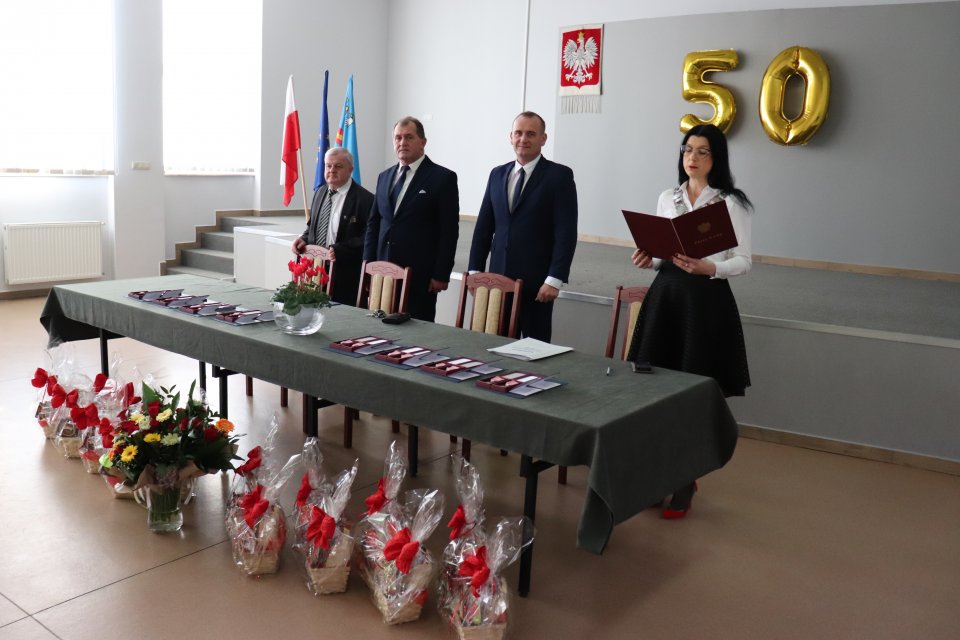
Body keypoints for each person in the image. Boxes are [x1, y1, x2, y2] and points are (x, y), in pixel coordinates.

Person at [627, 123, 752, 519]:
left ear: (717, 158)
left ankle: (685, 480)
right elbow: (662, 254)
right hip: (667, 298)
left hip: (705, 303)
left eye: (702, 151)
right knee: (656, 391)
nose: (692, 158)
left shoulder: (731, 203)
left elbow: (744, 261)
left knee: (691, 395)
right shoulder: (669, 197)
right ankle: (659, 476)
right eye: (687, 150)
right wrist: (648, 259)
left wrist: (710, 267)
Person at [468, 111, 578, 342]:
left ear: (543, 138)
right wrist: (475, 271)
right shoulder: (497, 174)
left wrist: (554, 279)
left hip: (537, 286)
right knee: (494, 346)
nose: (523, 139)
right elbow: (484, 228)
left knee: (533, 351)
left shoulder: (559, 176)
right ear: (510, 137)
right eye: (518, 133)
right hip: (497, 282)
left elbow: (566, 233)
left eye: (530, 134)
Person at [363, 116, 459, 322]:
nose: (402, 142)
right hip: (383, 273)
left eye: (409, 137)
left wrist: (441, 274)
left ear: (423, 142)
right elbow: (374, 224)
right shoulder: (384, 176)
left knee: (416, 332)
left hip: (420, 276)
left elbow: (449, 232)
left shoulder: (443, 178)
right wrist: (367, 265)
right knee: (378, 327)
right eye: (398, 138)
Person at [292, 147, 373, 305]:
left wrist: (341, 249)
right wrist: (303, 239)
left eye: (338, 166)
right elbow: (312, 227)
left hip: (345, 275)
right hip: (316, 273)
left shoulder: (365, 199)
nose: (332, 170)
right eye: (328, 166)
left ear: (350, 169)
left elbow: (369, 237)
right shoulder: (320, 192)